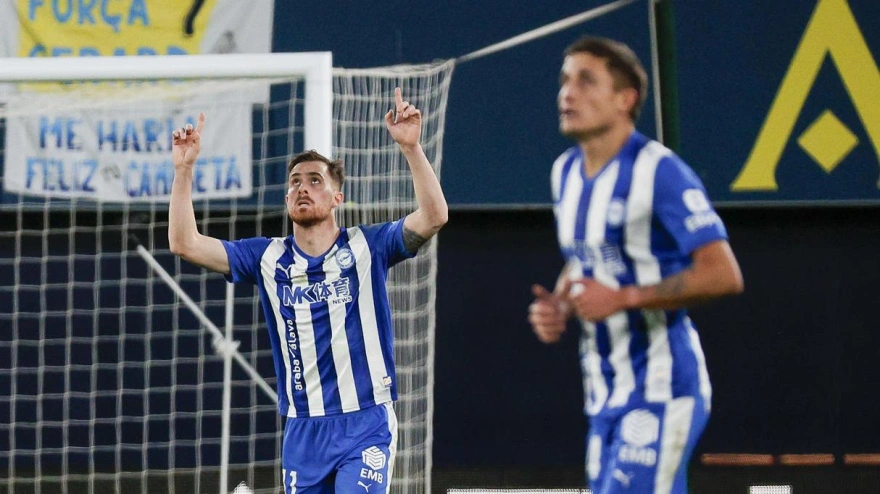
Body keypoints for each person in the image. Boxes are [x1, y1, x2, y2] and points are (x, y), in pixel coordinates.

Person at [168, 88, 447, 494]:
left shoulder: (367, 246)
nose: (303, 188)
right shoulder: (267, 257)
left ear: (337, 198)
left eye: (315, 181)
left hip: (365, 422)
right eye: (295, 182)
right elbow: (185, 244)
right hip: (303, 430)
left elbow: (435, 215)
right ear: (286, 198)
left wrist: (411, 147)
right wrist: (183, 171)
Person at [527, 36, 744, 493]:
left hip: (662, 388)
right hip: (603, 392)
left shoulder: (659, 171)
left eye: (586, 81)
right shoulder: (564, 172)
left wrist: (625, 298)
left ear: (625, 99)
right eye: (565, 80)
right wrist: (561, 305)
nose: (567, 92)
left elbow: (723, 274)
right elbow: (586, 258)